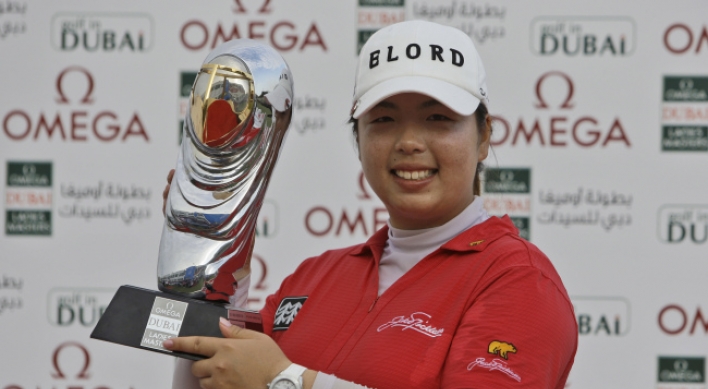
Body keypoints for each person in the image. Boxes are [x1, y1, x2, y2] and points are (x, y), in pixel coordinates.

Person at [163, 20, 577, 389]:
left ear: (484, 136)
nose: (409, 142)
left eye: (438, 119)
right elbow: (215, 379)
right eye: (384, 119)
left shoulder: (518, 280)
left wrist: (284, 381)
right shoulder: (316, 276)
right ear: (358, 139)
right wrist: (215, 266)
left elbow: (270, 379)